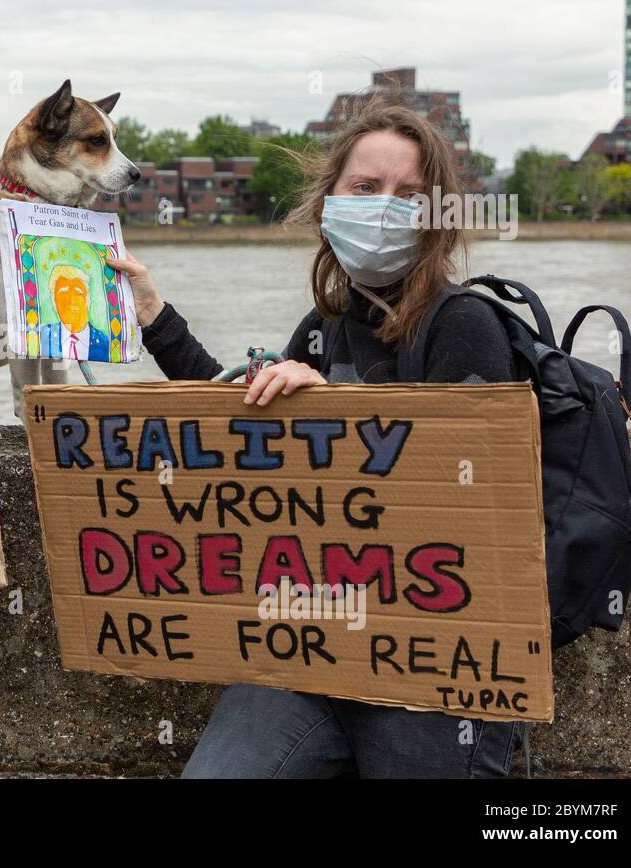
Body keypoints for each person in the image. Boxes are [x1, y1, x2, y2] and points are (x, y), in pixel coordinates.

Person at [107, 101, 521, 779]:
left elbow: (474, 506)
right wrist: (153, 315)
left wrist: (335, 411)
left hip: (433, 669)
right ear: (330, 202)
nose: (383, 208)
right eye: (365, 187)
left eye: (408, 196)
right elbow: (234, 428)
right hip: (313, 648)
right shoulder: (324, 326)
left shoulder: (464, 326)